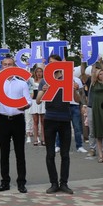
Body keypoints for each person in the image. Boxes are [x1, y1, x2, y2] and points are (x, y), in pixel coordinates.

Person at [0, 55, 31, 193]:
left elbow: (29, 101)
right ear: (2, 67)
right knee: (4, 153)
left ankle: (21, 182)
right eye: (5, 64)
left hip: (18, 119)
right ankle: (5, 181)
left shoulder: (22, 83)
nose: (7, 67)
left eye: (10, 64)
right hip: (3, 120)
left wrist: (25, 106)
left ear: (14, 67)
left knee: (20, 153)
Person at [36, 54, 74, 194]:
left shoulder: (67, 78)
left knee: (65, 154)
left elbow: (77, 98)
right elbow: (38, 100)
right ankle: (53, 183)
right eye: (50, 62)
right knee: (50, 154)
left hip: (65, 119)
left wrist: (74, 88)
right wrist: (44, 91)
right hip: (50, 119)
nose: (51, 65)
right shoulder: (45, 80)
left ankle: (64, 183)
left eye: (54, 63)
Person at [87, 63, 103, 163]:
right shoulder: (94, 83)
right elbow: (92, 73)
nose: (102, 75)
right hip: (96, 108)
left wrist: (102, 64)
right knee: (98, 132)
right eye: (99, 74)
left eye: (102, 74)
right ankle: (100, 153)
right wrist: (93, 63)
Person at [27, 66, 45, 145]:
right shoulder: (31, 80)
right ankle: (35, 139)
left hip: (43, 101)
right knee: (35, 121)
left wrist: (44, 64)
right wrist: (28, 65)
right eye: (37, 71)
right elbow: (26, 76)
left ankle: (43, 139)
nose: (39, 73)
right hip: (34, 101)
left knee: (43, 121)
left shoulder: (45, 80)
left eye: (40, 71)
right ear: (35, 72)